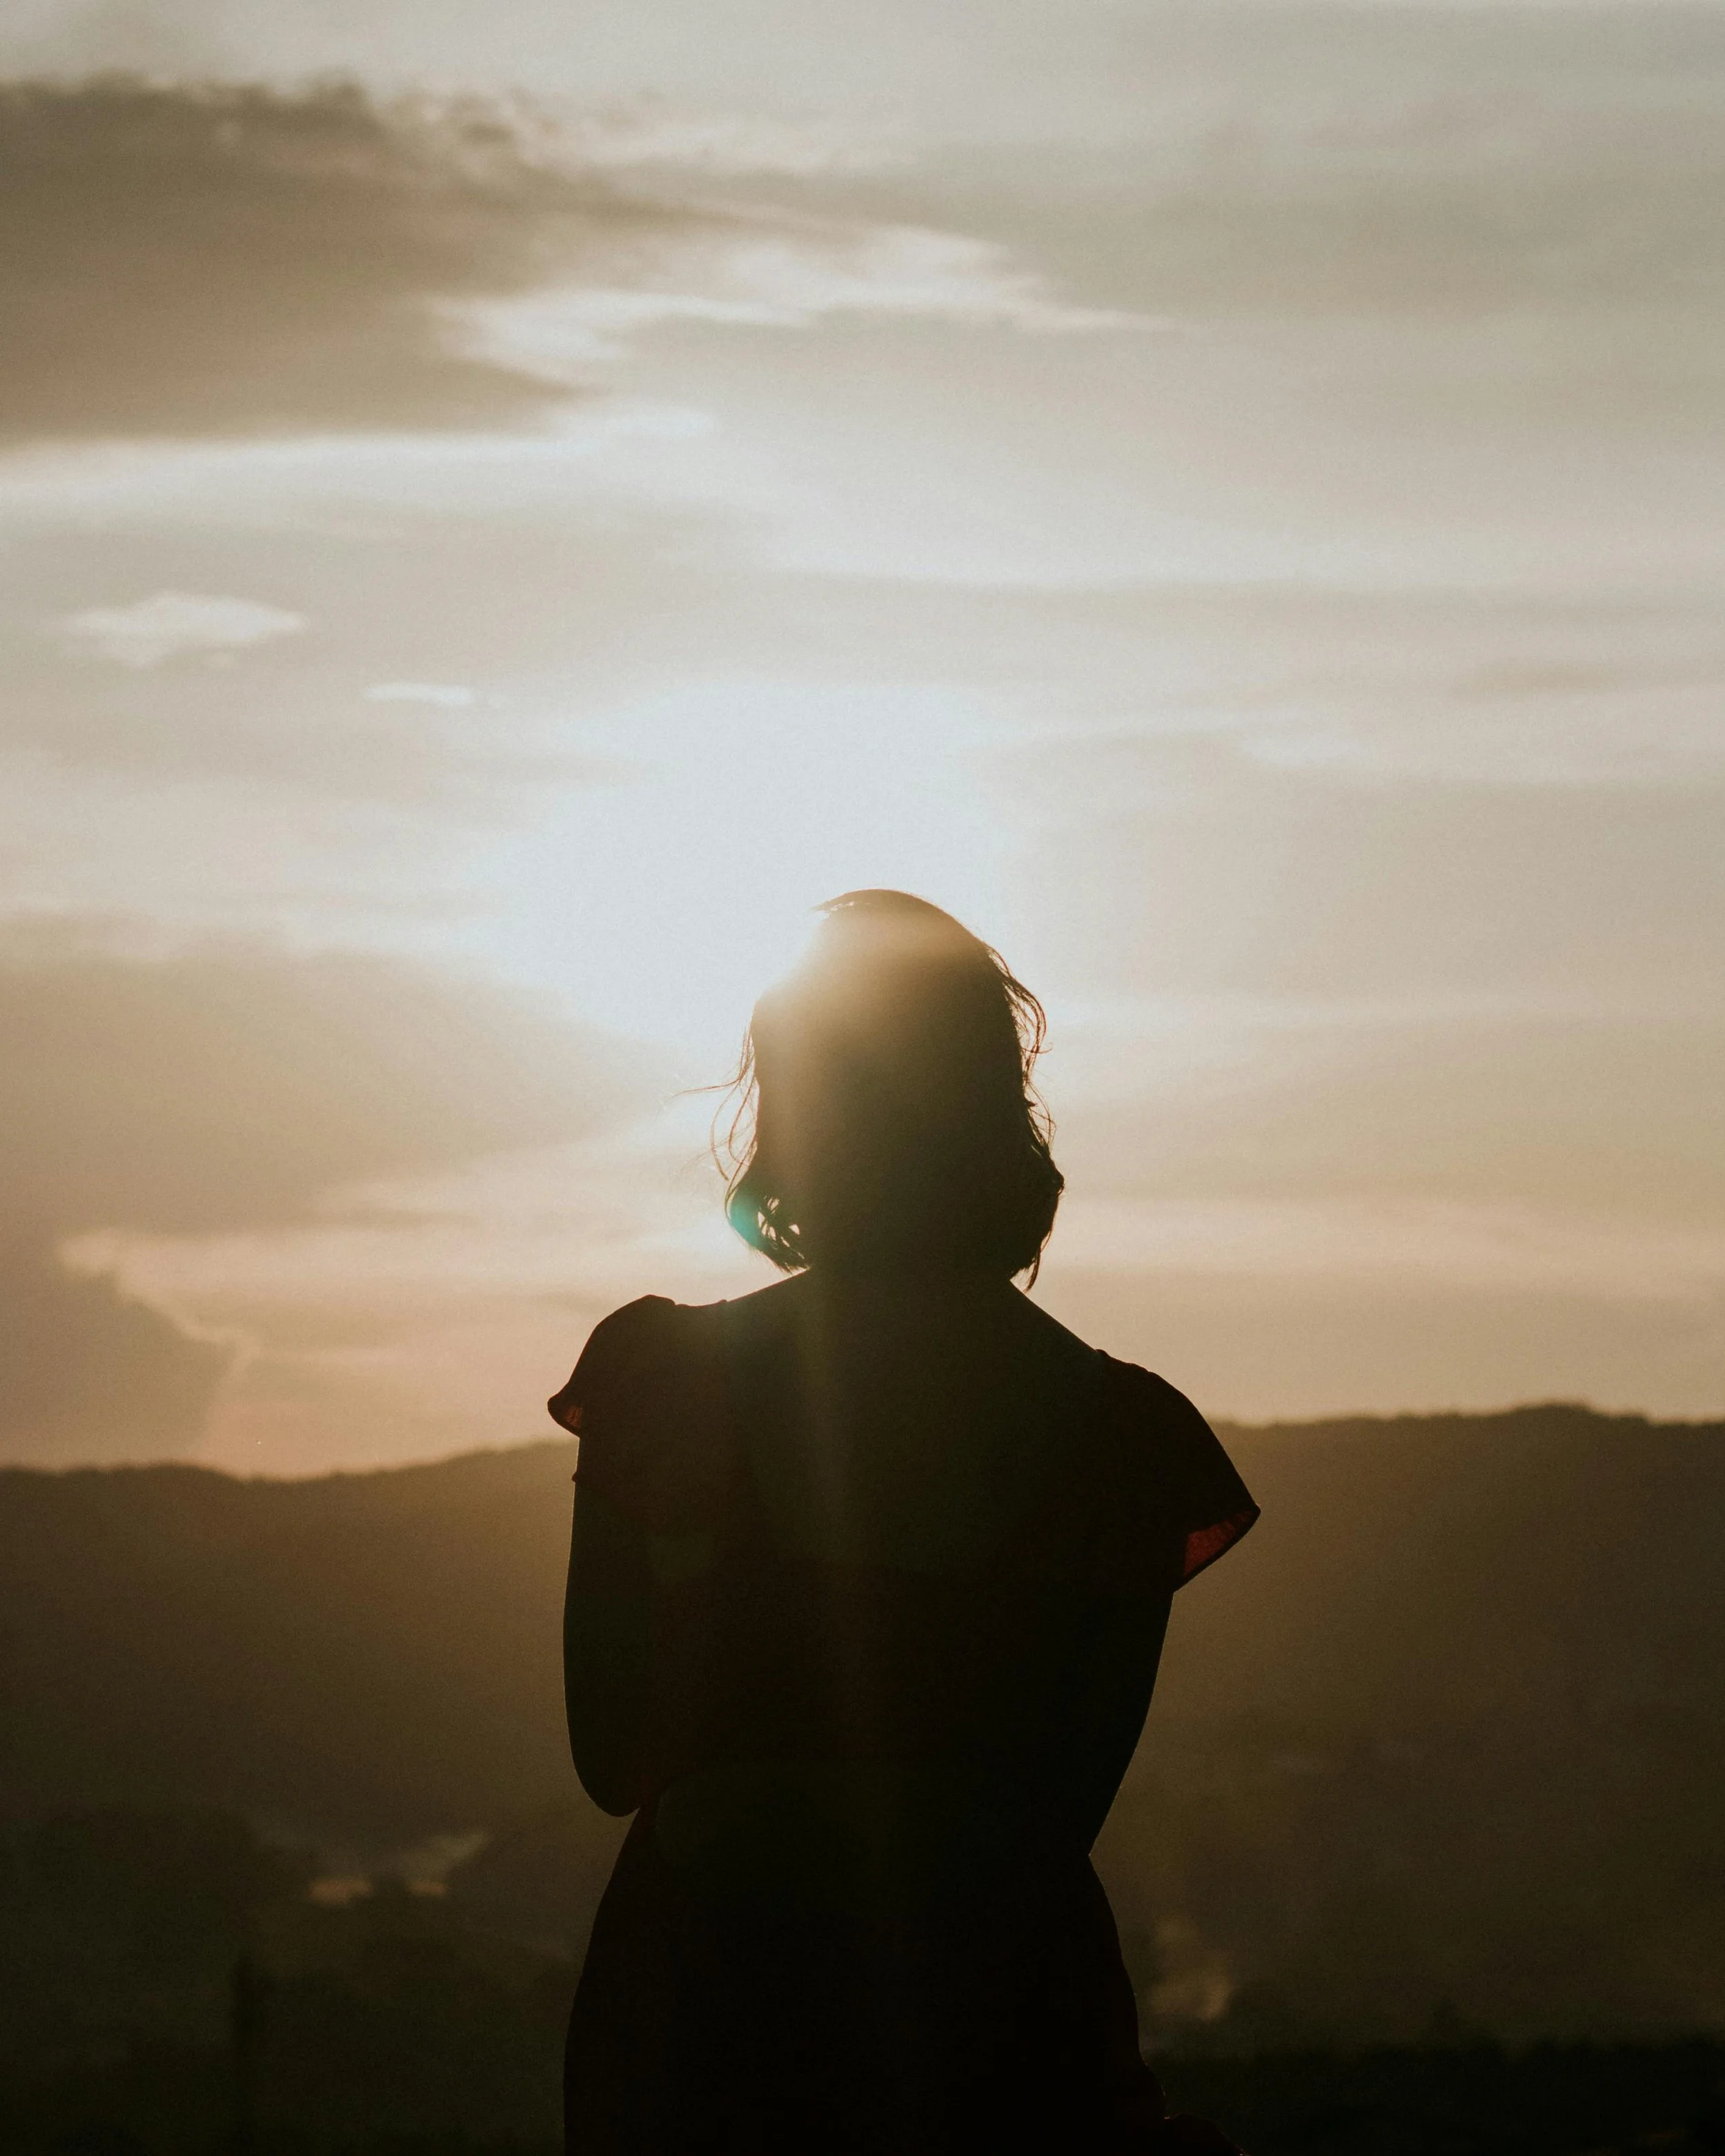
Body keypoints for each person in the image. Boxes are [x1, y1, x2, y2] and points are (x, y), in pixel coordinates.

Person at [551, 890, 1258, 2155]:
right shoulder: (1125, 1441)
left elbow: (612, 1758)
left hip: (709, 2025)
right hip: (999, 2033)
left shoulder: (664, 1384)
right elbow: (1060, 1811)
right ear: (999, 1110)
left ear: (792, 1111)